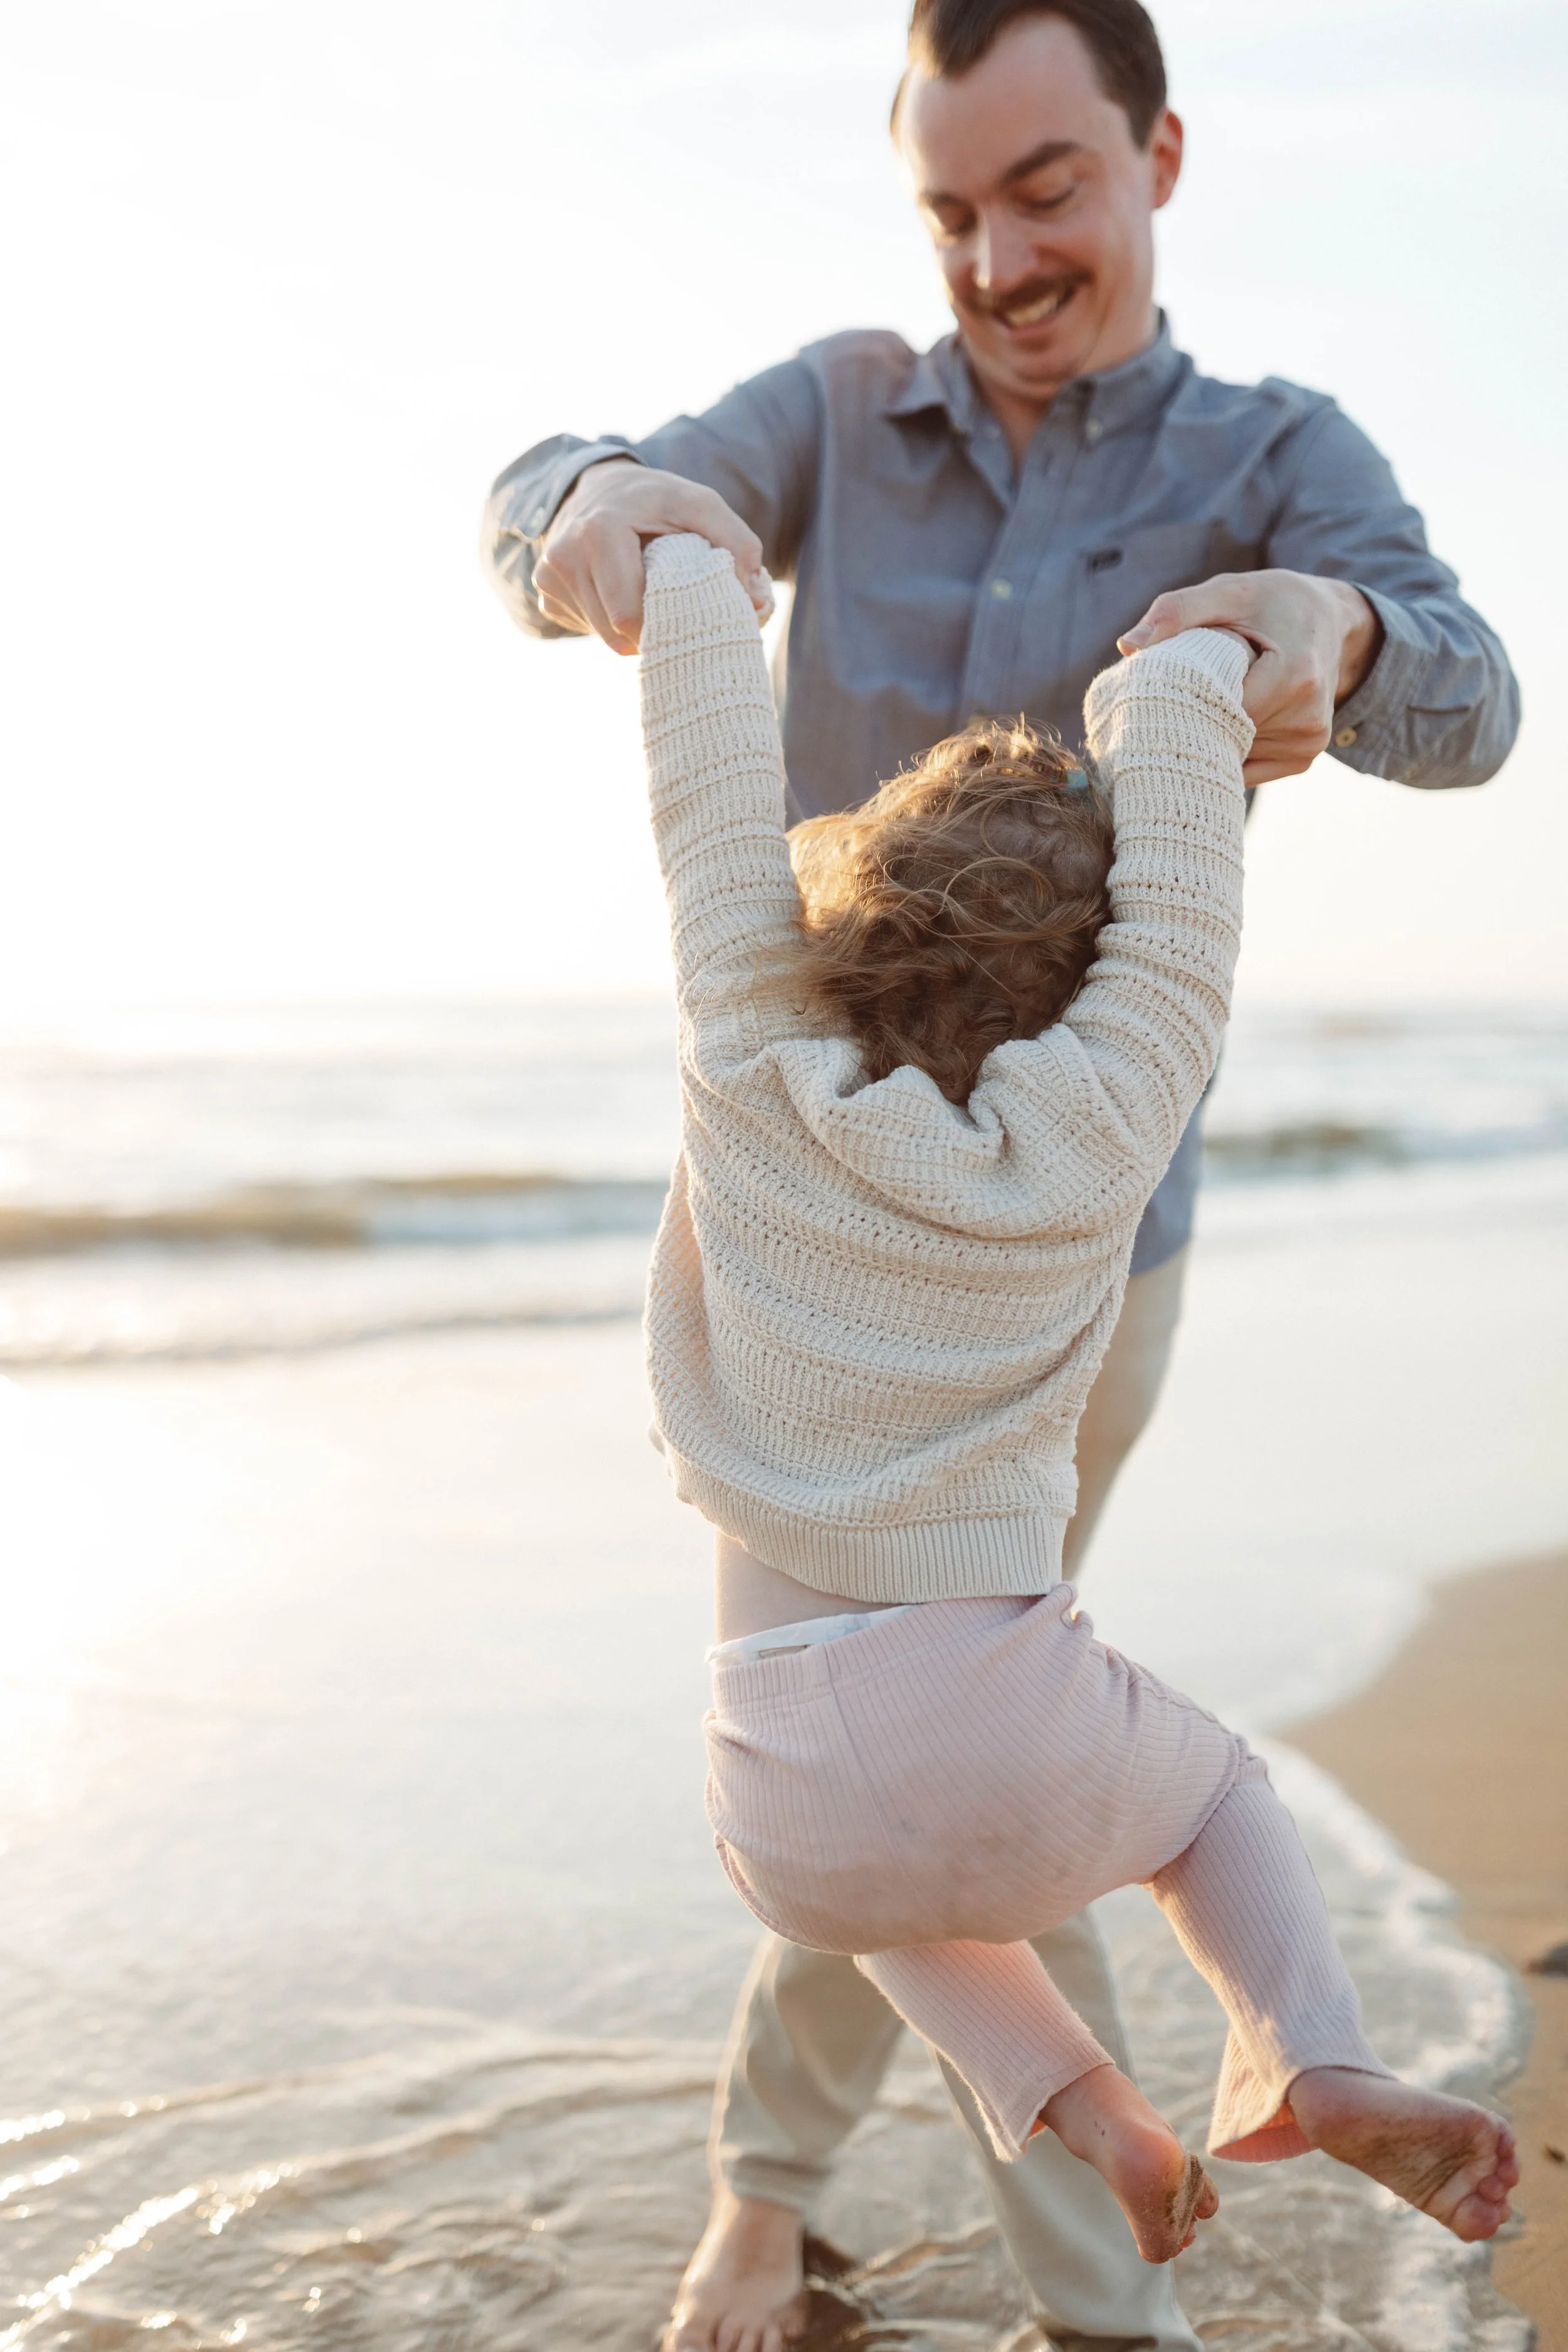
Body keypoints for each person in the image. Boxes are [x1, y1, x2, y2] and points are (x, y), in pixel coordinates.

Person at [481, 4, 1519, 2342]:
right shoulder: (841, 406)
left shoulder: (1275, 447)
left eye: (1043, 189)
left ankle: (922, 2227)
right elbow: (580, 489)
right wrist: (575, 517)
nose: (995, 257)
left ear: (1157, 152)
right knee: (961, 1719)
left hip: (1077, 1258)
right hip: (809, 1254)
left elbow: (1466, 694)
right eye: (948, 210)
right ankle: (1021, 2266)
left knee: (912, 1714)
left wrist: (1334, 630)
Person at [632, 526, 1518, 2273]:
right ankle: (1311, 2052)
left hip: (776, 1791)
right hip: (1009, 1723)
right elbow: (1185, 912)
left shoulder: (747, 1056)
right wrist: (1175, 681)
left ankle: (1087, 2102)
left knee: (881, 1892)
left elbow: (705, 791)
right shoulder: (1113, 1112)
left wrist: (681, 579)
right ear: (1087, 966)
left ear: (850, 901)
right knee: (1204, 1808)